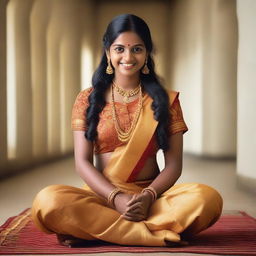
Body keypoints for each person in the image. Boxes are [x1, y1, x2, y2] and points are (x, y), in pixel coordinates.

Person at [32, 14, 223, 247]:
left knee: (207, 199)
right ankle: (152, 234)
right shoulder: (87, 99)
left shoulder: (164, 100)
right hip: (101, 197)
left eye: (137, 49)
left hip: (150, 200)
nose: (128, 57)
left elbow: (174, 165)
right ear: (108, 52)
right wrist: (115, 198)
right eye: (120, 49)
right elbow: (82, 162)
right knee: (48, 201)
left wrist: (147, 197)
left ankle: (99, 232)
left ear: (147, 53)